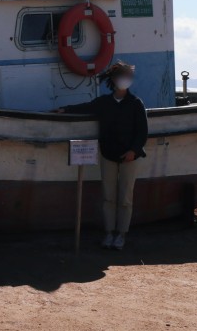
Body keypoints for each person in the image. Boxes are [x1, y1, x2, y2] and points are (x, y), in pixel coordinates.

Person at [59, 61, 148, 250]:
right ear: (113, 80)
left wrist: (134, 151)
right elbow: (85, 107)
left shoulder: (136, 104)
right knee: (108, 196)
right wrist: (65, 109)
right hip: (108, 154)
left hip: (129, 157)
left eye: (127, 76)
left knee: (125, 197)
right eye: (121, 76)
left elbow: (142, 132)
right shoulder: (104, 102)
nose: (124, 80)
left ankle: (121, 234)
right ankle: (108, 233)